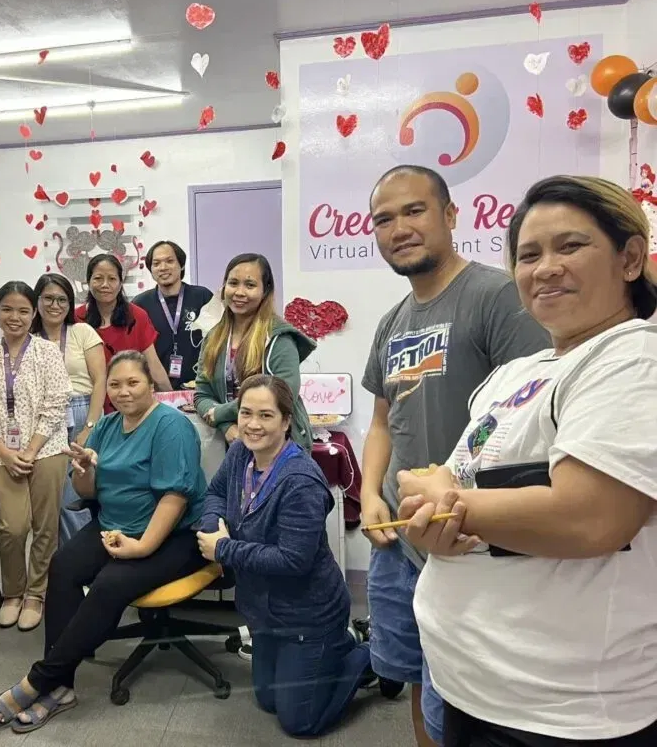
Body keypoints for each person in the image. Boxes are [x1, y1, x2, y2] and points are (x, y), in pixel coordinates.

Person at [398, 175, 657, 747]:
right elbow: (460, 477)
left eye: (571, 246)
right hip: (476, 684)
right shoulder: (518, 373)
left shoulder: (634, 358)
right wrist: (436, 518)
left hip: (562, 711)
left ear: (630, 259)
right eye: (529, 255)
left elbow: (591, 518)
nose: (545, 269)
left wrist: (452, 504)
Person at [360, 165, 551, 746]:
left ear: (449, 215)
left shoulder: (498, 297)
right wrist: (368, 494)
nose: (399, 229)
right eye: (384, 219)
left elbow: (532, 419)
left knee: (464, 702)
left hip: (467, 538)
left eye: (414, 211)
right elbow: (382, 421)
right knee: (417, 679)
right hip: (397, 539)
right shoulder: (392, 322)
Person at [0, 350, 207, 734]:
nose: (123, 392)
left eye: (133, 383)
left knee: (109, 584)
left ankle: (40, 680)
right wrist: (84, 469)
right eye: (115, 385)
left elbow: (175, 497)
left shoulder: (172, 427)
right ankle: (62, 686)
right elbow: (88, 491)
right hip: (114, 523)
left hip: (172, 533)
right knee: (63, 567)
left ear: (151, 385)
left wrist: (143, 548)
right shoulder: (105, 426)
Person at [197, 374, 373, 737]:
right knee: (267, 700)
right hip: (264, 612)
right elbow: (214, 493)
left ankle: (367, 655)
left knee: (299, 722)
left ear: (286, 421)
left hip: (307, 614)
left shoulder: (300, 481)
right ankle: (335, 648)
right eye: (246, 413)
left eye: (266, 415)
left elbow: (293, 561)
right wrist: (213, 527)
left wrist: (223, 548)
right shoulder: (240, 453)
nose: (253, 424)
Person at [0, 281, 71, 632]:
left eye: (23, 310)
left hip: (47, 449)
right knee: (12, 528)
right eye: (7, 309)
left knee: (45, 527)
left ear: (34, 313)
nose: (15, 317)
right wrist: (3, 449)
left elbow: (56, 403)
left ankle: (36, 594)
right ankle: (12, 592)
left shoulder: (47, 352)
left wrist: (30, 449)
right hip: (4, 454)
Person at [194, 253, 315, 451]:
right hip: (231, 446)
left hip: (279, 446)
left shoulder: (279, 338)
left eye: (250, 285)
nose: (239, 292)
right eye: (233, 283)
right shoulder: (213, 338)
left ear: (265, 291)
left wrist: (222, 413)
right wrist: (226, 425)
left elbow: (282, 396)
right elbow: (202, 395)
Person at [31, 273, 107, 544]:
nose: (55, 305)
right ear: (37, 301)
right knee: (54, 496)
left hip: (83, 410)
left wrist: (89, 427)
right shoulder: (28, 338)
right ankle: (63, 557)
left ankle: (80, 554)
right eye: (48, 298)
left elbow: (100, 380)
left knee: (78, 492)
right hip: (45, 419)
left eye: (62, 299)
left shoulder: (82, 332)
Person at [74, 253, 172, 393]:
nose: (105, 285)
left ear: (120, 283)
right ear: (88, 282)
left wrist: (173, 400)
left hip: (130, 399)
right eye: (98, 278)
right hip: (89, 400)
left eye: (112, 279)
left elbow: (154, 366)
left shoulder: (137, 316)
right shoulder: (76, 319)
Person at [132, 241, 214, 388]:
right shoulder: (140, 304)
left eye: (169, 261)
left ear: (181, 265)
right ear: (151, 269)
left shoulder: (202, 297)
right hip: (155, 388)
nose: (163, 267)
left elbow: (219, 340)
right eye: (156, 263)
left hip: (200, 387)